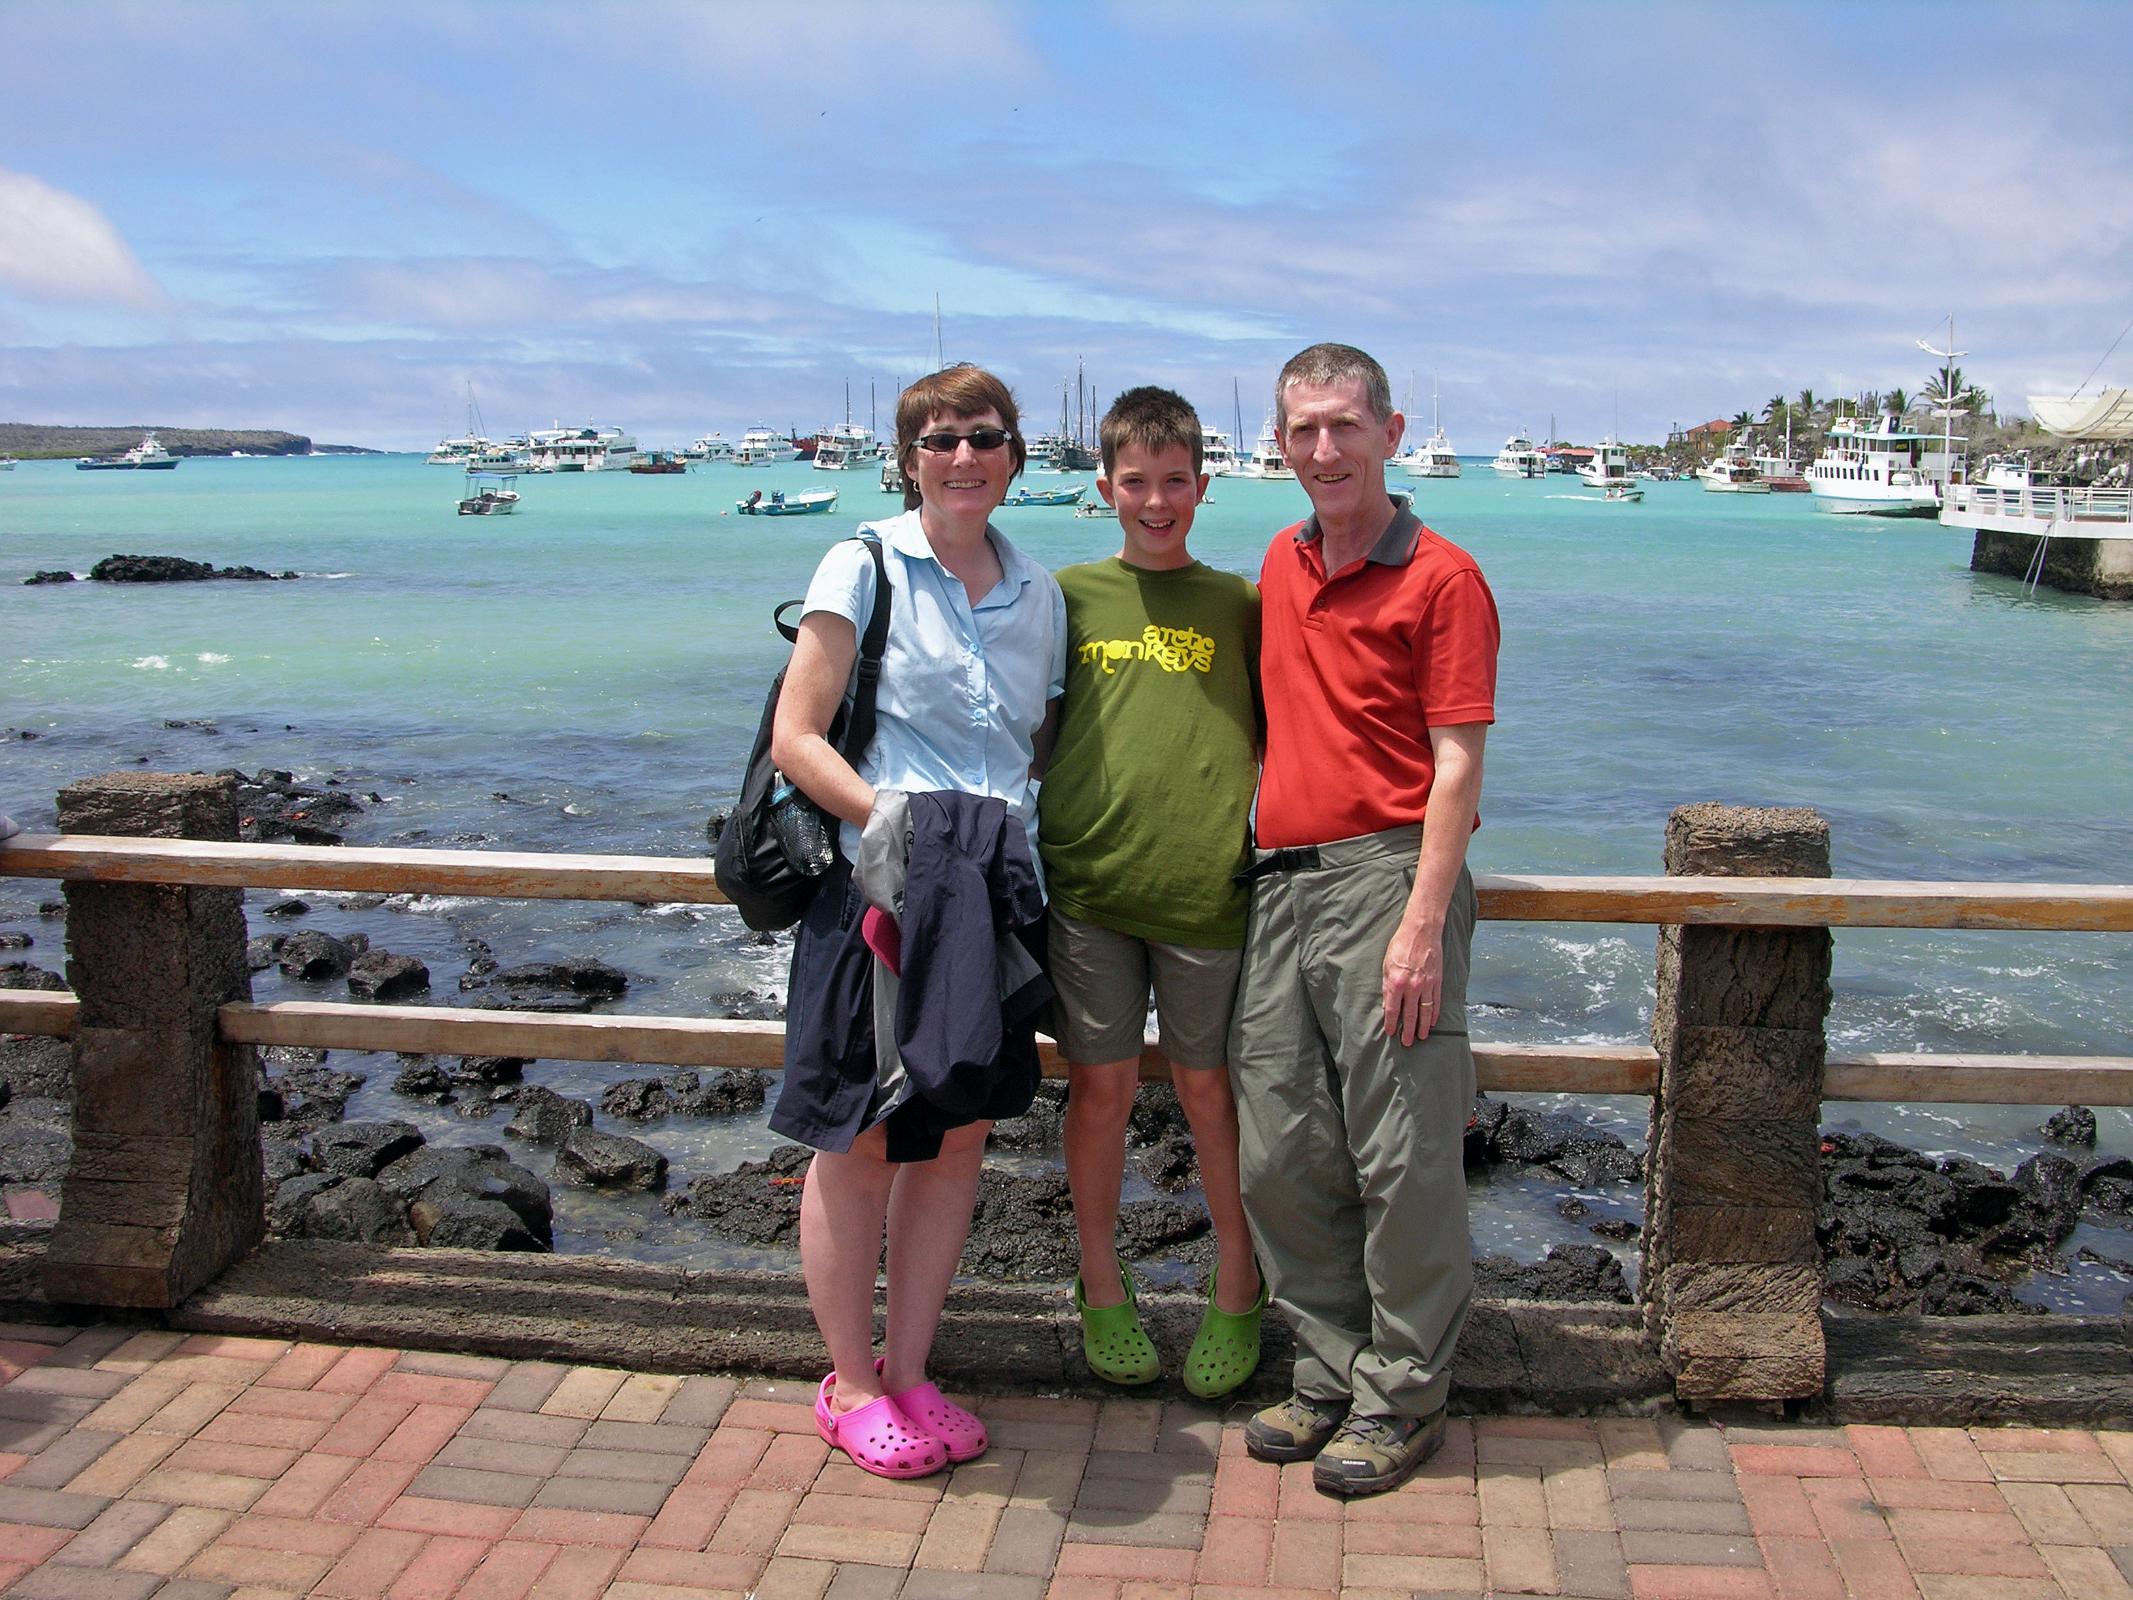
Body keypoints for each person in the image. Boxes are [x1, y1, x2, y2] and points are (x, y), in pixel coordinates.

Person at [767, 364, 1066, 1480]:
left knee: (956, 1138)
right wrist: (894, 820)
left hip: (987, 898)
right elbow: (800, 735)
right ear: (908, 459)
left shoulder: (1041, 592)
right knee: (859, 1138)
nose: (962, 456)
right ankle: (848, 1383)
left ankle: (912, 1368)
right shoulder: (863, 561)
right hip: (881, 894)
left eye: (984, 436)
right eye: (938, 439)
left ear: (1014, 453)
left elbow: (1033, 748)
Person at [1230, 343, 1499, 1496]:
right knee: (1282, 1149)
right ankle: (1331, 1367)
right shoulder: (1281, 561)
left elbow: (1458, 766)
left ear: (1392, 432)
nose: (1325, 450)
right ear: (1280, 442)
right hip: (1279, 884)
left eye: (1346, 425)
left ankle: (1402, 1396)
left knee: (1405, 1156)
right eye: (1304, 430)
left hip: (1390, 876)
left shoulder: (1445, 577)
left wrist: (1421, 922)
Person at [1038, 387, 1265, 1397]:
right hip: (1089, 887)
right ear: (1106, 487)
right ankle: (1100, 1281)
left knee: (1212, 1090)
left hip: (1210, 892)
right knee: (1102, 1088)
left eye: (1176, 481)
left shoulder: (1239, 605)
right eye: (1137, 481)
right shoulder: (1066, 596)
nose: (1157, 499)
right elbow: (1025, 731)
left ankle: (1238, 1284)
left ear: (1203, 487)